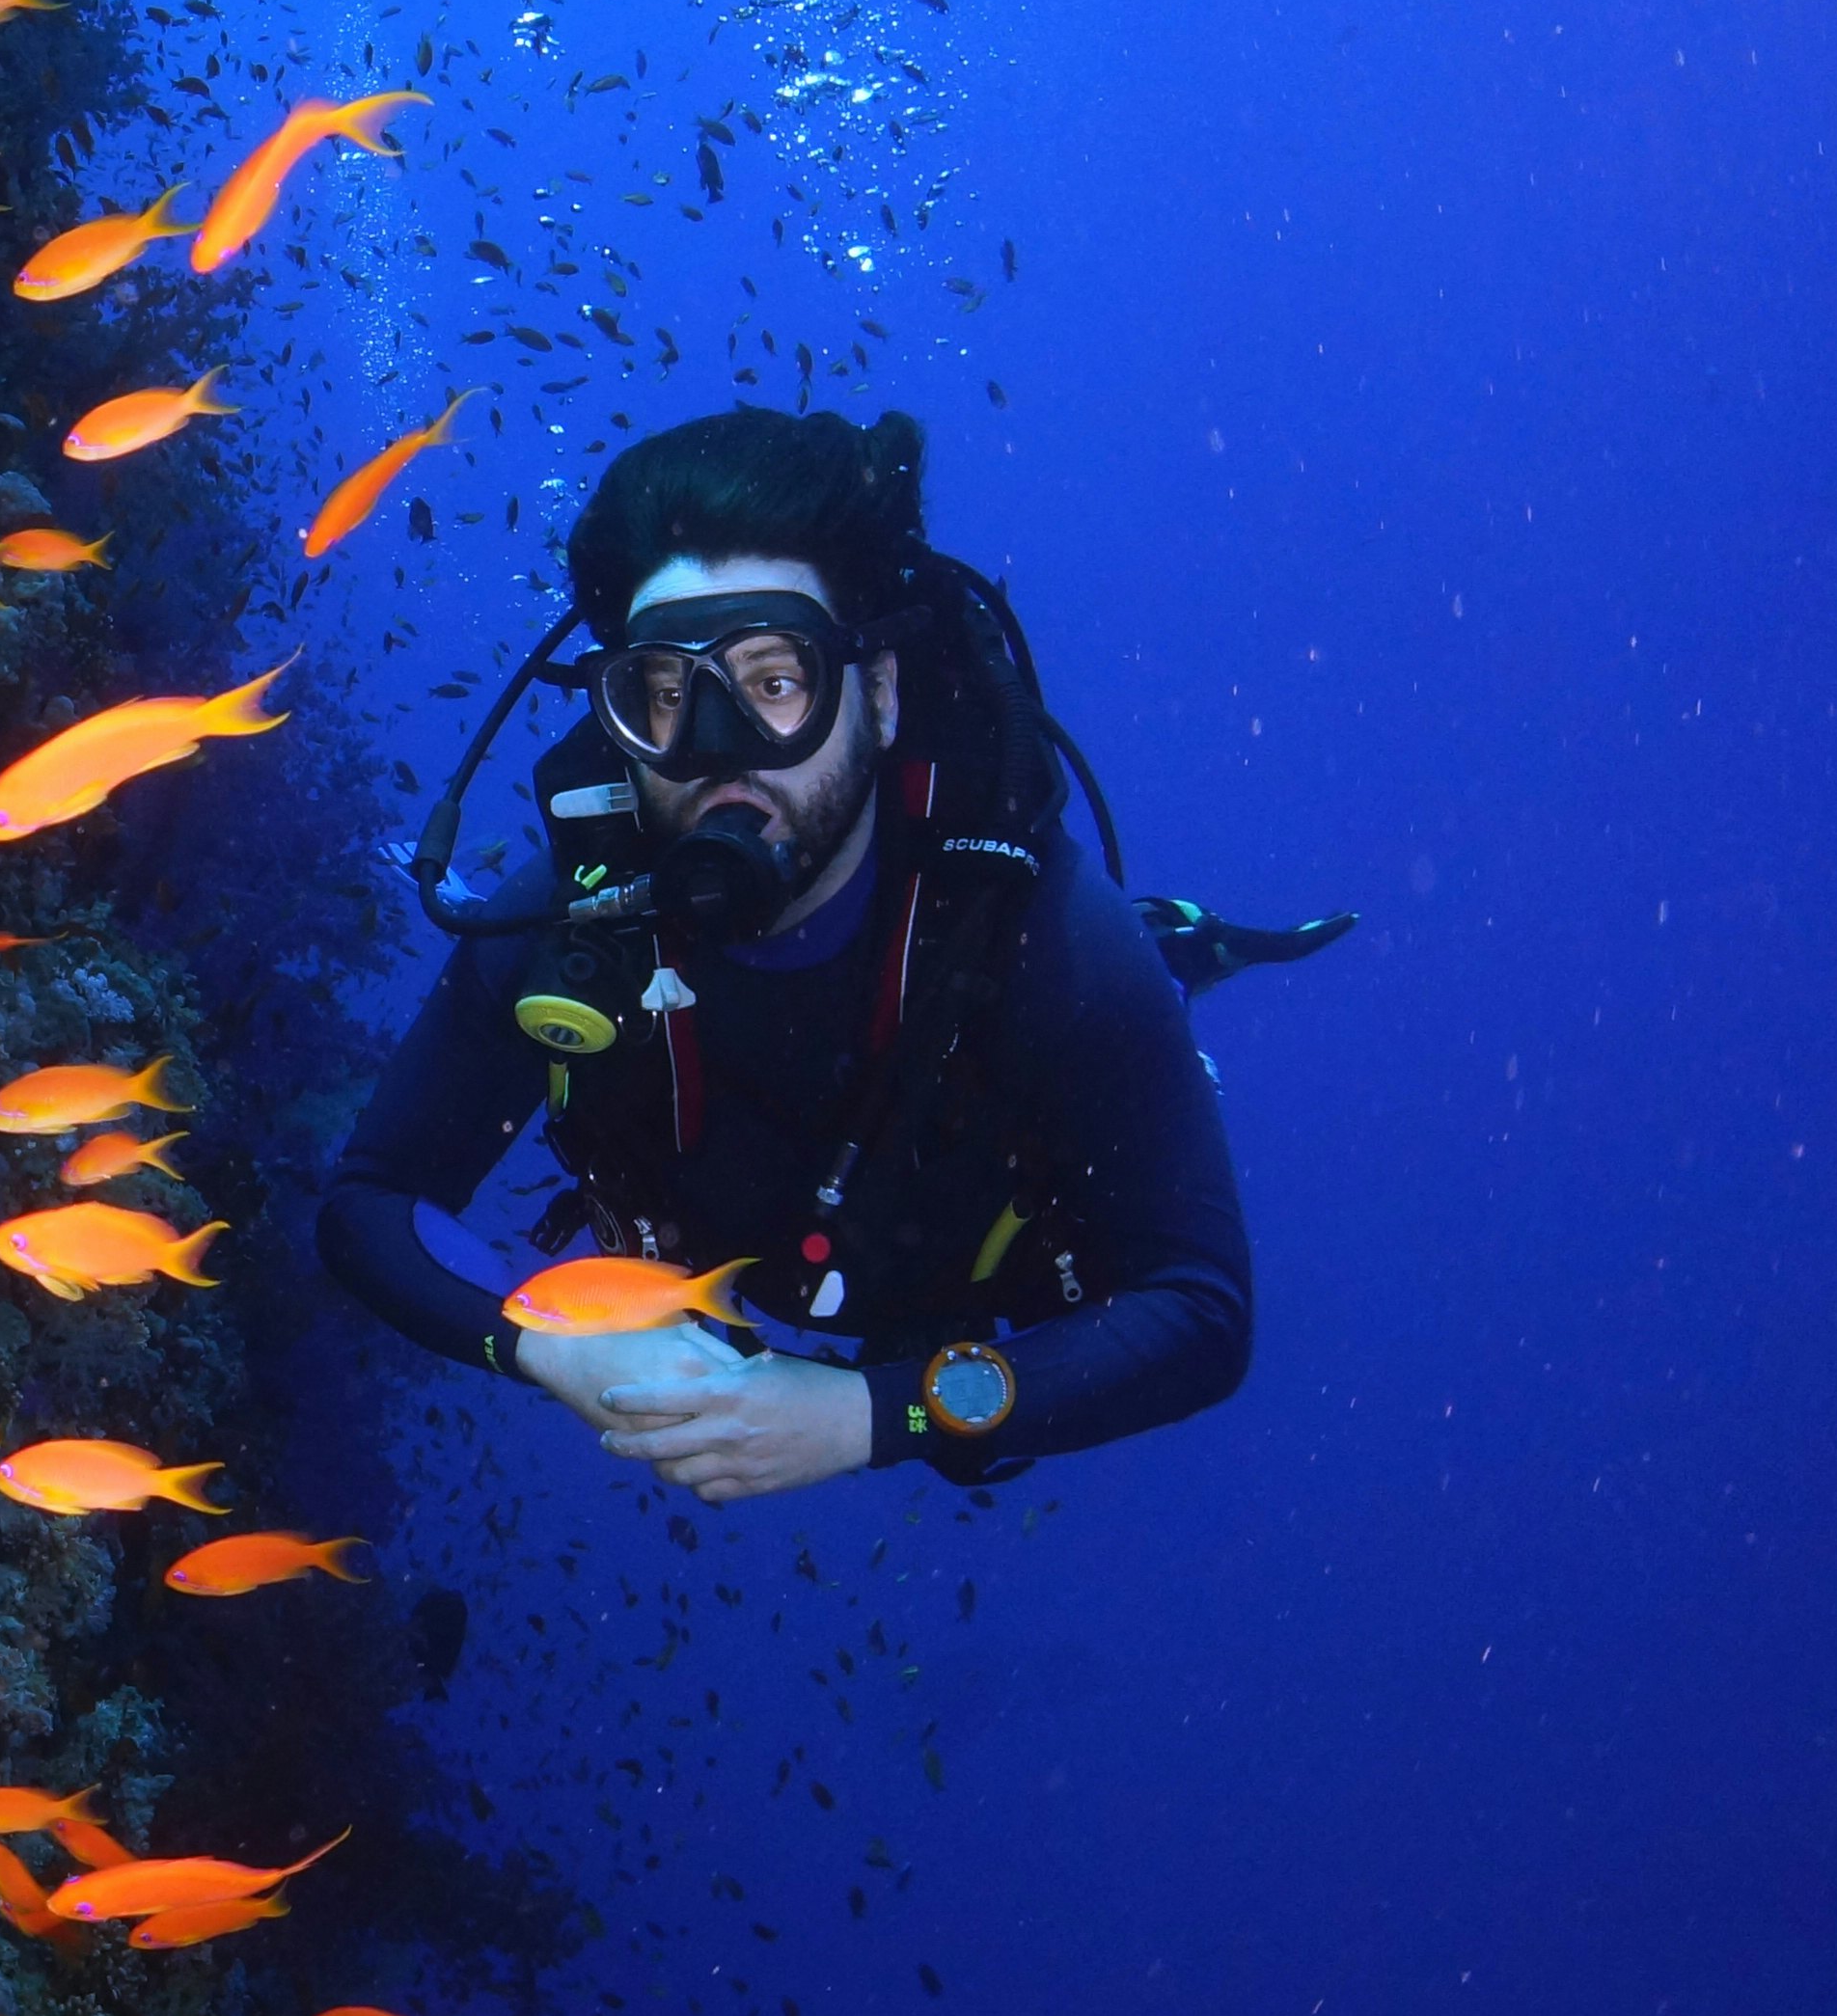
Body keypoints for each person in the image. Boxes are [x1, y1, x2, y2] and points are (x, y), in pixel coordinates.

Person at [313, 408, 1281, 1500]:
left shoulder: (1039, 935)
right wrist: (550, 1347)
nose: (718, 755)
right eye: (666, 697)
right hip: (742, 1255)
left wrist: (877, 1412)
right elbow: (369, 1201)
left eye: (775, 682)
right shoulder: (577, 919)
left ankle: (1186, 943)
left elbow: (1199, 1309)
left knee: (1140, 978)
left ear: (877, 691)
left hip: (945, 1282)